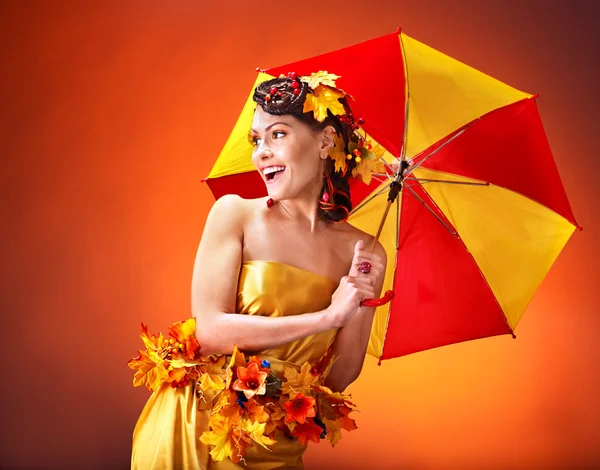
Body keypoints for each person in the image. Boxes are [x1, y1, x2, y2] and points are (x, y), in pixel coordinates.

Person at [131, 71, 387, 469]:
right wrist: (327, 316)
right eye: (257, 140)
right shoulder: (234, 213)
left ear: (326, 141)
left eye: (278, 135)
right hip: (197, 427)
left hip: (275, 439)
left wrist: (358, 304)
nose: (260, 153)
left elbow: (338, 378)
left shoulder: (366, 252)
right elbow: (211, 332)